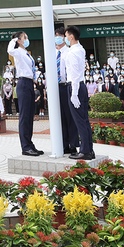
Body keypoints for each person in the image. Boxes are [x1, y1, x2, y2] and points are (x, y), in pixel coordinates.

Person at [8, 31, 43, 156]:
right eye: (25, 37)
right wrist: (14, 40)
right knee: (24, 117)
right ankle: (25, 147)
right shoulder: (17, 51)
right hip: (22, 83)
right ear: (19, 40)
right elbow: (10, 50)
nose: (27, 39)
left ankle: (30, 144)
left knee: (30, 115)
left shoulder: (26, 53)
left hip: (29, 83)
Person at [64, 25, 95, 161]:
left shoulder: (72, 52)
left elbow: (75, 73)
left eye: (66, 36)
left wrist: (74, 93)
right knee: (84, 120)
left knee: (80, 121)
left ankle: (85, 151)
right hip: (81, 86)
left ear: (71, 37)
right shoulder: (80, 49)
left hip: (75, 86)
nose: (65, 38)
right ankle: (89, 149)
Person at [55, 26, 78, 155]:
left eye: (60, 35)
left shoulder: (69, 51)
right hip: (55, 88)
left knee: (70, 116)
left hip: (67, 86)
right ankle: (63, 145)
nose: (57, 38)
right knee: (60, 117)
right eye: (56, 35)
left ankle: (73, 144)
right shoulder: (52, 52)